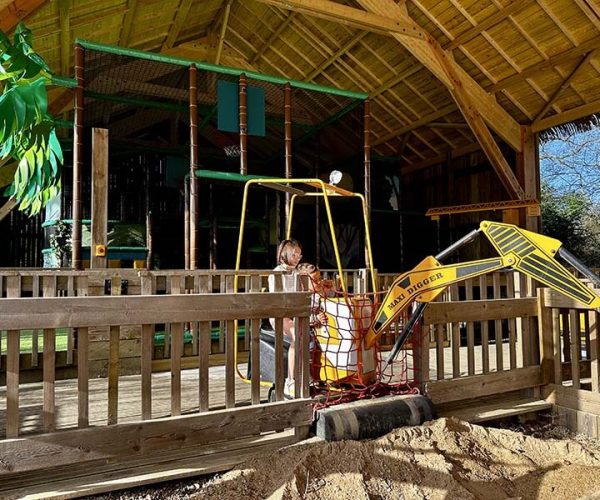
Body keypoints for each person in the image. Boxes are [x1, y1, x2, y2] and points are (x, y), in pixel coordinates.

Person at [268, 239, 303, 398]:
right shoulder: (277, 273)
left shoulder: (297, 273)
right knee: (298, 335)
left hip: (295, 312)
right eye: (294, 254)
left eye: (299, 255)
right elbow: (277, 301)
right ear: (285, 254)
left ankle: (307, 375)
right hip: (280, 315)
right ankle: (291, 380)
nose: (297, 258)